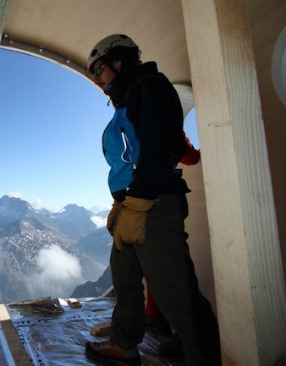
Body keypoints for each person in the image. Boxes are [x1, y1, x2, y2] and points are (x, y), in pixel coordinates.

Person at [83, 34, 221, 365]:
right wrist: (123, 203)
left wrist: (140, 202)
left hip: (154, 203)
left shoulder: (149, 87)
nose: (97, 79)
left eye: (98, 69)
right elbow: (130, 158)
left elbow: (160, 148)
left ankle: (207, 357)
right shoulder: (127, 98)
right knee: (125, 279)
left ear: (118, 60)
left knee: (175, 291)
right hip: (133, 202)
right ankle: (125, 345)